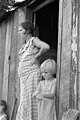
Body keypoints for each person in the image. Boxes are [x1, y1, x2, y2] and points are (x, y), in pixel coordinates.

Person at [16, 21, 50, 120]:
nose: (19, 33)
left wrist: (36, 57)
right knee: (24, 102)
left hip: (32, 74)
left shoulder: (33, 40)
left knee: (31, 101)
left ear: (27, 31)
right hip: (24, 78)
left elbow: (46, 47)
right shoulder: (24, 46)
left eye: (20, 30)